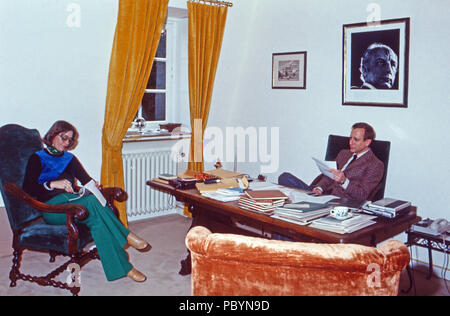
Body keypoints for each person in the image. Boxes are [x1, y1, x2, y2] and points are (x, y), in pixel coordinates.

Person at [23, 120, 150, 282]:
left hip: (74, 203)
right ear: (53, 134)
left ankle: (125, 269)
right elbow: (28, 189)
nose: (67, 143)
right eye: (63, 137)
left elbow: (86, 180)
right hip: (52, 209)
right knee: (90, 202)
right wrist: (51, 184)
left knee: (98, 222)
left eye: (70, 140)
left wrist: (94, 186)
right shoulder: (37, 158)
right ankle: (127, 235)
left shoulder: (69, 158)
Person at [278, 122, 384, 201]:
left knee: (291, 199)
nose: (350, 142)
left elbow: (362, 195)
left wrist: (344, 181)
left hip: (340, 202)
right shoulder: (344, 153)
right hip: (323, 195)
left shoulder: (375, 165)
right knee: (284, 177)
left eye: (356, 140)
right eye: (350, 138)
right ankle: (305, 199)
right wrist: (319, 188)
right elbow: (328, 175)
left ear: (367, 142)